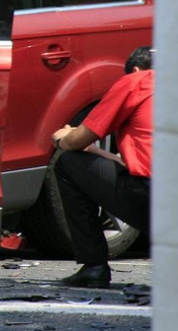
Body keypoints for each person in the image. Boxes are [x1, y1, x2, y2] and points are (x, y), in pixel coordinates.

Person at [51, 45, 153, 288]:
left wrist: (63, 137)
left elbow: (78, 141)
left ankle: (94, 266)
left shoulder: (138, 81)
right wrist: (102, 154)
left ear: (136, 70)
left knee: (67, 163)